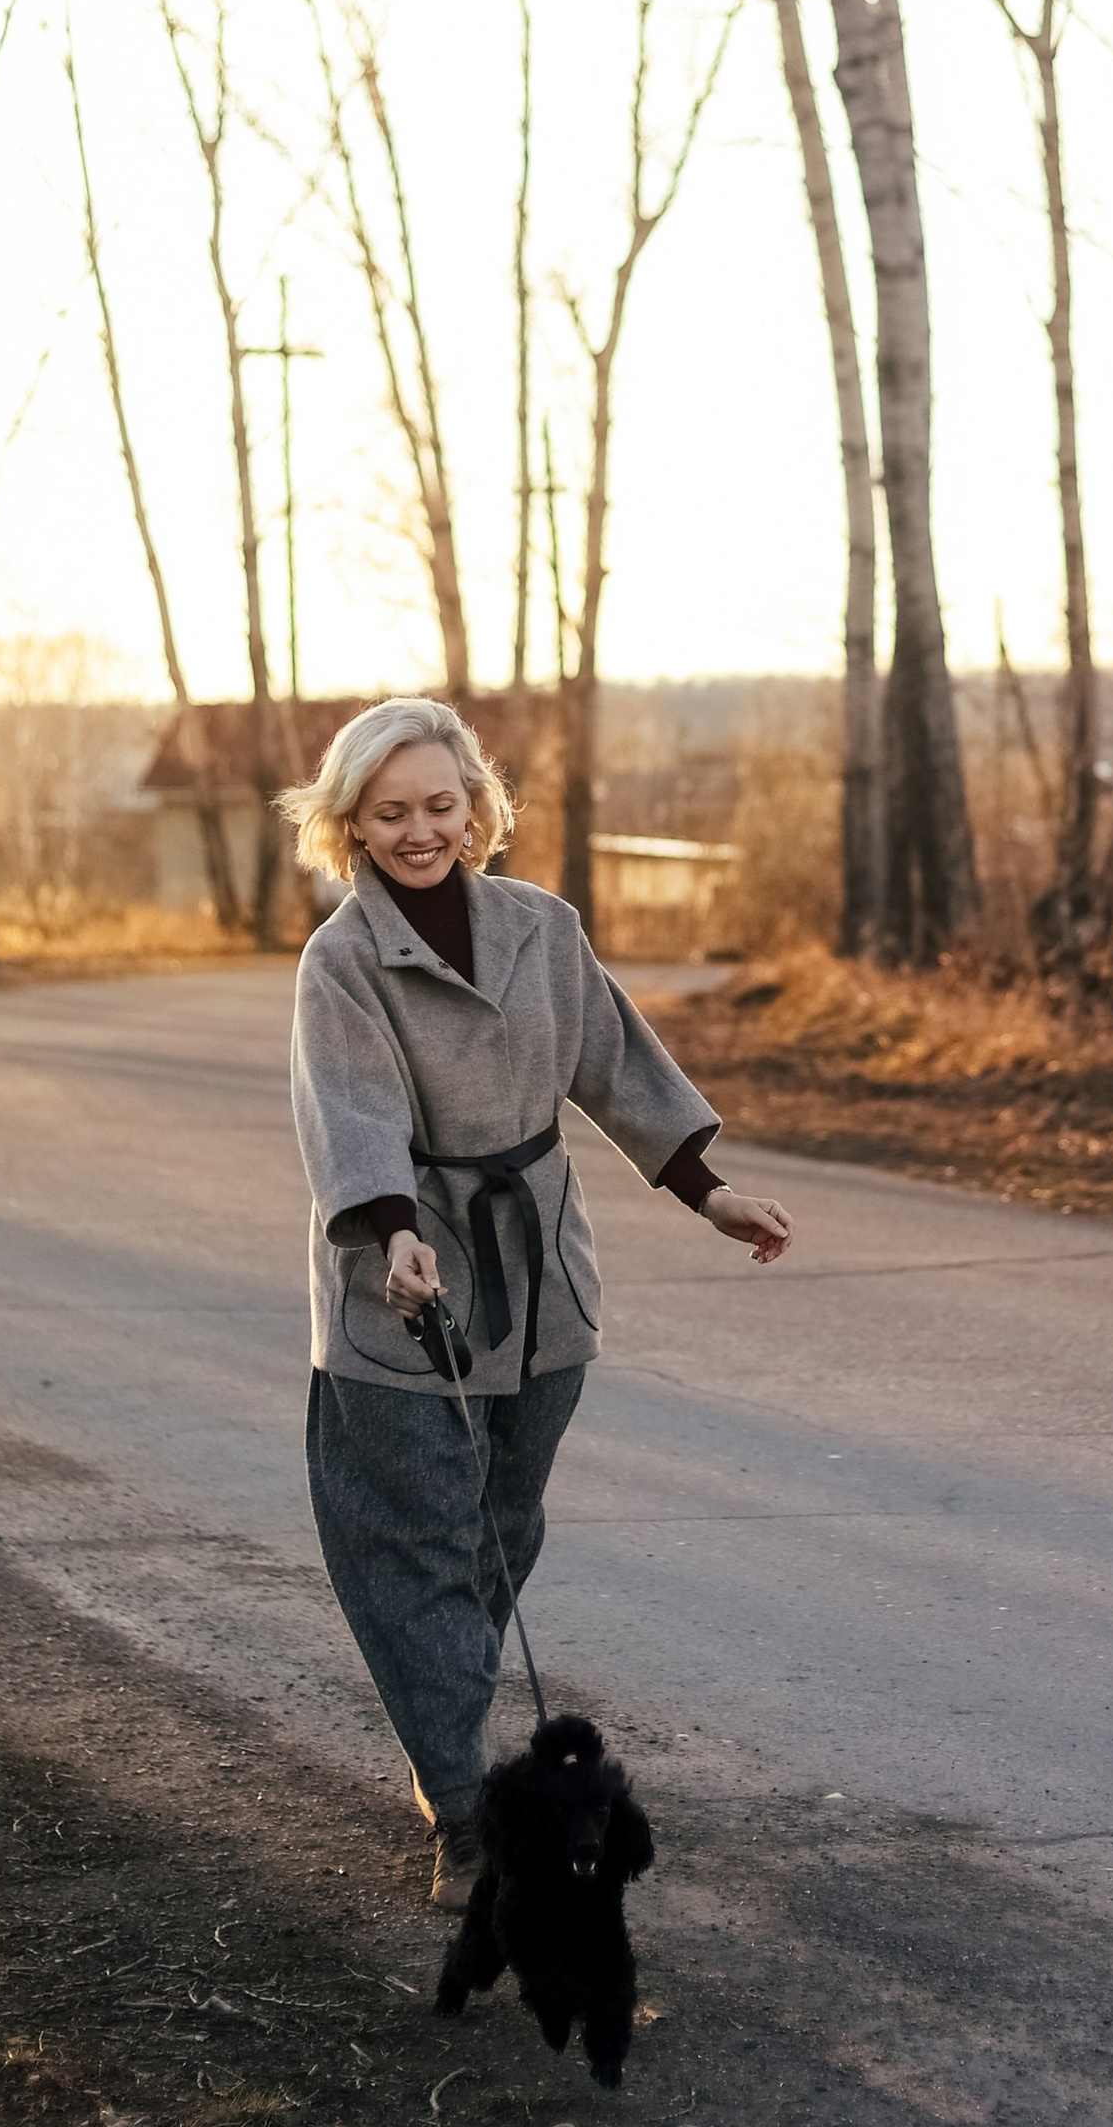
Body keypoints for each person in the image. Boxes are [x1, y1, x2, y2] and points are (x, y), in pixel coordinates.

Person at [281, 696, 792, 1898]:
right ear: (351, 824)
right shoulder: (341, 962)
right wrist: (394, 1234)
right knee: (418, 1544)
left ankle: (445, 1746)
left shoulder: (541, 929)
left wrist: (709, 1194)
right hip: (403, 1282)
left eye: (439, 805)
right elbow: (351, 1111)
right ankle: (463, 1811)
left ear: (477, 808)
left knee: (501, 1532)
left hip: (541, 1277)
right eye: (390, 813)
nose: (419, 831)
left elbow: (615, 1067)